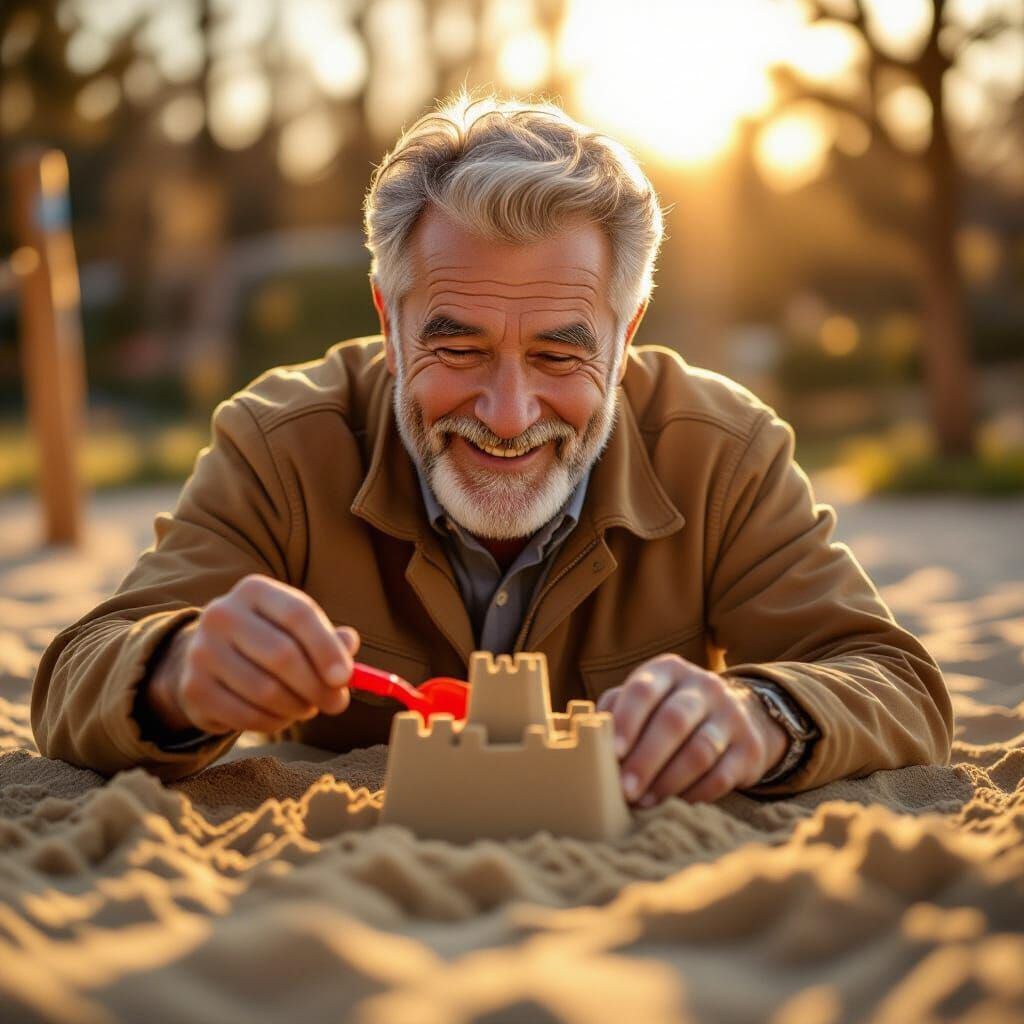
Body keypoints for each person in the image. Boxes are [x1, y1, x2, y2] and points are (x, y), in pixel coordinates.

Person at [31, 94, 952, 808]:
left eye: (559, 352)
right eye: (458, 346)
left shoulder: (726, 452)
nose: (508, 415)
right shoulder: (278, 443)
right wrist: (179, 672)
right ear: (389, 322)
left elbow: (897, 683)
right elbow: (79, 673)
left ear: (625, 333)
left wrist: (759, 719)